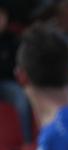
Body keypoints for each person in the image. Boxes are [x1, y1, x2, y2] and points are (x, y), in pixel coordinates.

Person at [0, 5, 32, 142]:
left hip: (7, 83)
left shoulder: (12, 39)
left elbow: (18, 66)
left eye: (1, 16)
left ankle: (26, 144)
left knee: (20, 94)